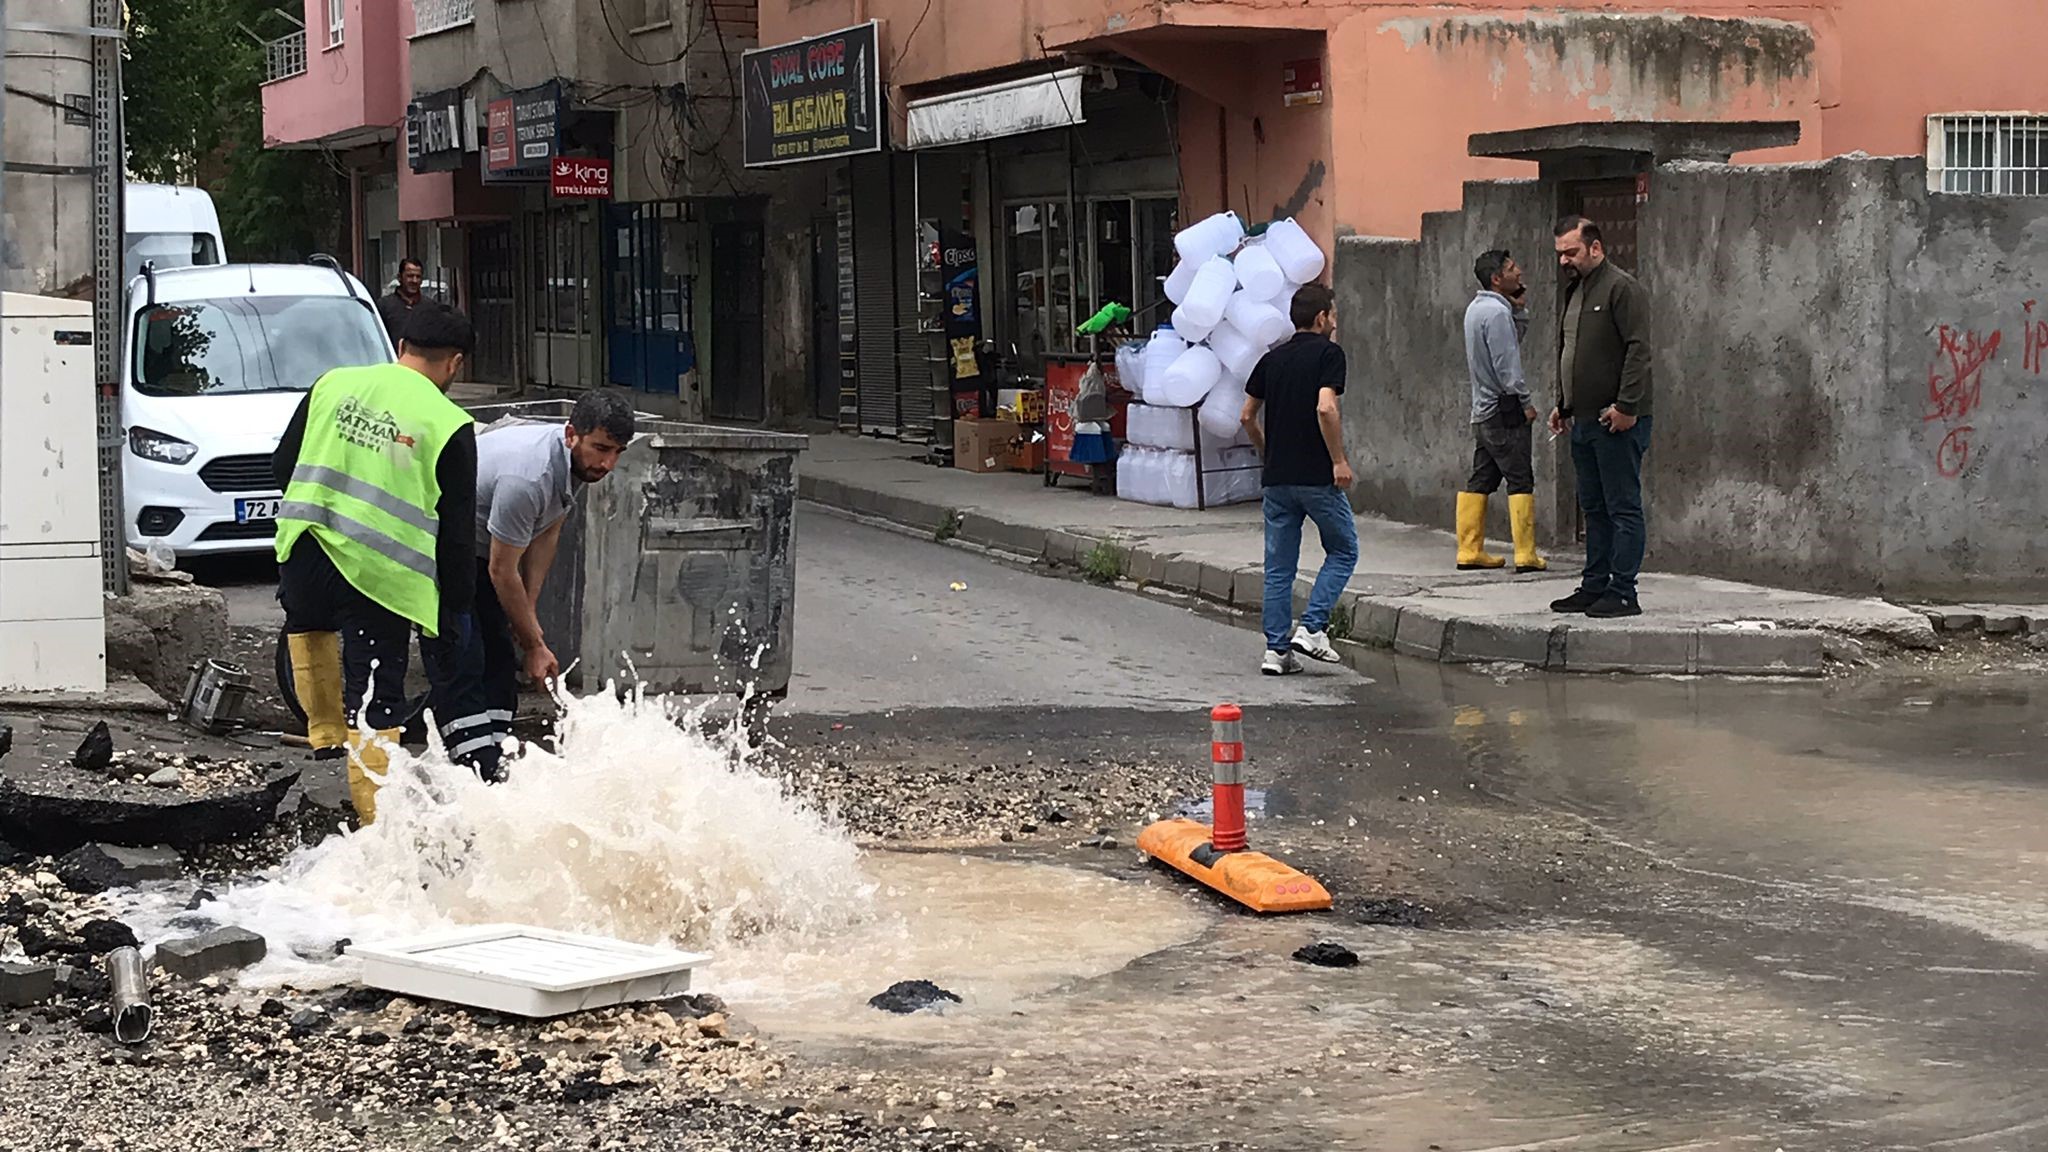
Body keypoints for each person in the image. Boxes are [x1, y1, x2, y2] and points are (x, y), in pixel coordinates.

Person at [272, 303, 478, 824]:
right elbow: (456, 532)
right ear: (454, 363)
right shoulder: (449, 422)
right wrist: (453, 610)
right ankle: (374, 825)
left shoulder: (332, 383)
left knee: (308, 629)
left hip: (304, 553)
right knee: (376, 697)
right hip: (377, 577)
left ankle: (322, 736)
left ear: (401, 346)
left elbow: (282, 464)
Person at [420, 391, 637, 780]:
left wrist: (528, 619)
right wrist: (536, 645)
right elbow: (503, 572)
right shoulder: (529, 477)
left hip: (481, 545)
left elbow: (548, 530)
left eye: (618, 452)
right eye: (601, 449)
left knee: (501, 652)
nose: (608, 463)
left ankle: (496, 747)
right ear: (572, 434)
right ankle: (473, 768)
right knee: (463, 653)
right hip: (437, 543)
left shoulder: (575, 465)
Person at [1240, 282, 1359, 676]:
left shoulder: (1271, 360)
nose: (1335, 323)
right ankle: (1311, 627)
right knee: (1343, 550)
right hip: (1316, 477)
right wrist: (1338, 460)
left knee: (1278, 568)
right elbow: (1326, 407)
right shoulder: (1329, 355)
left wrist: (1266, 453)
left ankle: (1276, 652)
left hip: (1277, 480)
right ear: (1322, 317)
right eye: (1334, 315)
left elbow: (1246, 416)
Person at [1547, 216, 1652, 619]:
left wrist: (1626, 407)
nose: (1564, 261)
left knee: (1622, 506)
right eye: (1559, 254)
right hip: (1583, 420)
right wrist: (1564, 403)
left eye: (1571, 252)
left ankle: (1624, 590)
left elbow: (1638, 351)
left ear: (1595, 247)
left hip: (1617, 420)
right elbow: (1571, 351)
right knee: (1593, 507)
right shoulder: (1576, 291)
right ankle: (1595, 585)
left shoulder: (1621, 288)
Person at [1458, 249, 1545, 573]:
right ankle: (1525, 553)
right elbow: (1507, 365)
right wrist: (1525, 403)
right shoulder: (1496, 313)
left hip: (1483, 409)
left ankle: (1469, 548)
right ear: (1497, 279)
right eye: (1511, 268)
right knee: (1520, 477)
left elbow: (1511, 341)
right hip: (1502, 409)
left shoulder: (1479, 309)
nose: (1519, 271)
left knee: (1482, 476)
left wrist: (1519, 311)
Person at [377, 258, 427, 348]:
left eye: (418, 277)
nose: (414, 281)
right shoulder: (384, 306)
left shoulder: (429, 307)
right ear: (399, 277)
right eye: (410, 276)